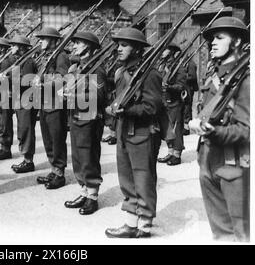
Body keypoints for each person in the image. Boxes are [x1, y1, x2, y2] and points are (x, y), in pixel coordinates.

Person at [189, 16, 250, 241]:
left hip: (234, 161)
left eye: (219, 37)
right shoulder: (213, 75)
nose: (212, 42)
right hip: (207, 158)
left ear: (235, 42)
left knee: (243, 232)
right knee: (220, 230)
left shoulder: (246, 80)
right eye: (212, 38)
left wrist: (215, 133)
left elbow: (247, 130)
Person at [105, 27, 162, 238]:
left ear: (137, 49)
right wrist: (112, 107)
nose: (119, 49)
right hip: (123, 131)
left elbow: (153, 108)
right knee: (127, 179)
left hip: (142, 133)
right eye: (118, 44)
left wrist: (127, 110)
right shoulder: (121, 72)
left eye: (124, 45)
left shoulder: (150, 74)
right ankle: (131, 222)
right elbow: (118, 98)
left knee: (143, 178)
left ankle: (144, 224)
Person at [63, 31, 106, 215]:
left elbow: (100, 96)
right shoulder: (77, 67)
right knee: (78, 158)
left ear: (88, 46)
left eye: (78, 43)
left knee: (89, 158)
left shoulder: (97, 68)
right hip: (76, 117)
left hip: (90, 119)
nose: (74, 46)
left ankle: (93, 197)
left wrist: (73, 95)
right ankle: (84, 191)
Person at [34, 27, 70, 189]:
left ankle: (60, 174)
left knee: (57, 139)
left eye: (44, 38)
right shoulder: (46, 56)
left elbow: (62, 78)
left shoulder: (61, 56)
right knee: (48, 139)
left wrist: (43, 84)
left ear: (54, 41)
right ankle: (53, 169)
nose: (40, 41)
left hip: (55, 104)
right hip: (44, 103)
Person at [8, 35, 39, 173]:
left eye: (14, 45)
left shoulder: (28, 62)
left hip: (27, 100)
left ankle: (28, 161)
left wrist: (8, 79)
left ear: (20, 47)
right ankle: (26, 158)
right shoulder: (19, 61)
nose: (11, 47)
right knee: (22, 129)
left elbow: (26, 81)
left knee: (26, 130)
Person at [157, 43, 187, 166]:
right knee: (167, 128)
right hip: (163, 101)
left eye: (165, 50)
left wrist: (169, 87)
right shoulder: (161, 65)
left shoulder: (178, 67)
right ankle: (170, 152)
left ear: (171, 52)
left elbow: (181, 86)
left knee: (176, 128)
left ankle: (177, 154)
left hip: (174, 101)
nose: (162, 52)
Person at [0, 37, 15, 160]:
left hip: (5, 96)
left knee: (4, 123)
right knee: (1, 122)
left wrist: (3, 78)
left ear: (3, 48)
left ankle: (6, 149)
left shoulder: (8, 60)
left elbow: (14, 77)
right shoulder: (0, 59)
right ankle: (3, 147)